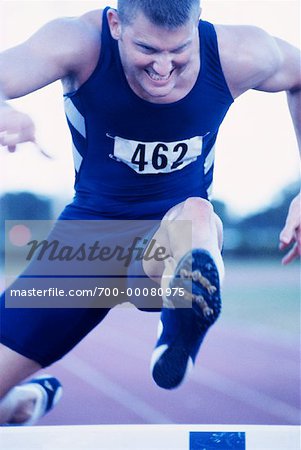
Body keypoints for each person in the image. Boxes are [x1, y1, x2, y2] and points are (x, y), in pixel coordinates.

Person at [0, 0, 300, 425]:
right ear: (115, 23)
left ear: (198, 25)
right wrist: (4, 108)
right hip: (87, 249)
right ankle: (16, 403)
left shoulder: (242, 52)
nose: (163, 68)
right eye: (148, 50)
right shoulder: (79, 41)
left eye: (179, 52)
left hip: (168, 241)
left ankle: (182, 322)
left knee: (198, 215)